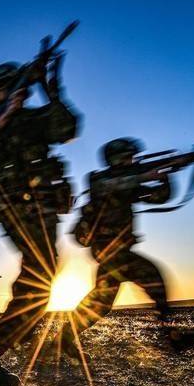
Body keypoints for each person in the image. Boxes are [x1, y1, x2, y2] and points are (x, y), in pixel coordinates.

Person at [0, 57, 80, 386]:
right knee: (40, 274)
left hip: (43, 209)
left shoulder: (35, 119)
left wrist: (51, 88)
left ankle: (17, 334)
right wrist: (6, 114)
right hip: (15, 209)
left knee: (42, 275)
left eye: (15, 87)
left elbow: (67, 129)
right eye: (5, 89)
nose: (11, 93)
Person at [64, 137, 182, 353]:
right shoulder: (100, 180)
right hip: (107, 249)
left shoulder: (129, 185)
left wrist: (166, 178)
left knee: (102, 302)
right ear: (115, 159)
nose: (132, 161)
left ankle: (64, 337)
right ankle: (172, 337)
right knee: (153, 280)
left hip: (117, 250)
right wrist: (145, 175)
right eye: (128, 157)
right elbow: (115, 184)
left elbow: (158, 198)